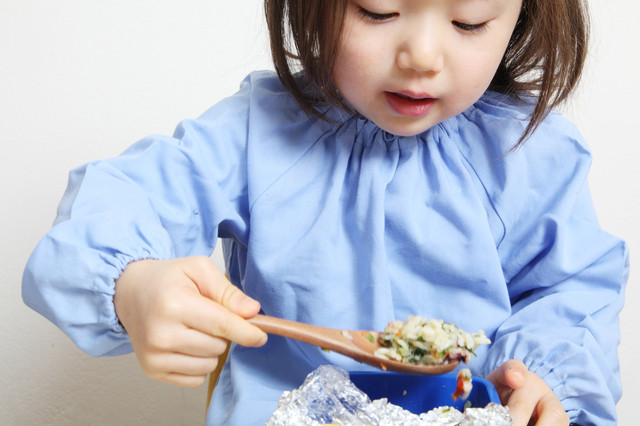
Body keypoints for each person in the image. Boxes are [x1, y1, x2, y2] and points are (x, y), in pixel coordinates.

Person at [22, 0, 628, 425]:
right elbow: (120, 204)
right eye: (377, 11)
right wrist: (131, 284)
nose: (421, 55)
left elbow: (574, 293)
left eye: (469, 21)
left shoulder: (528, 157)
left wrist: (547, 379)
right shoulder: (256, 136)